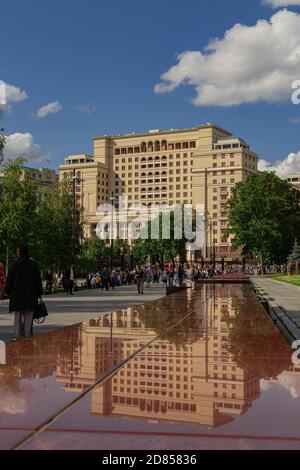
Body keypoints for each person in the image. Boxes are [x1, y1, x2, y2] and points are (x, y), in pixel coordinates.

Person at [4, 245, 43, 342]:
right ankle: (27, 335)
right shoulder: (33, 263)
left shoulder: (14, 263)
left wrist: (7, 291)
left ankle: (16, 335)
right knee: (29, 315)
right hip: (31, 294)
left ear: (20, 253)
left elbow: (10, 279)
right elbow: (38, 279)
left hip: (17, 294)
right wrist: (39, 292)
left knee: (18, 314)